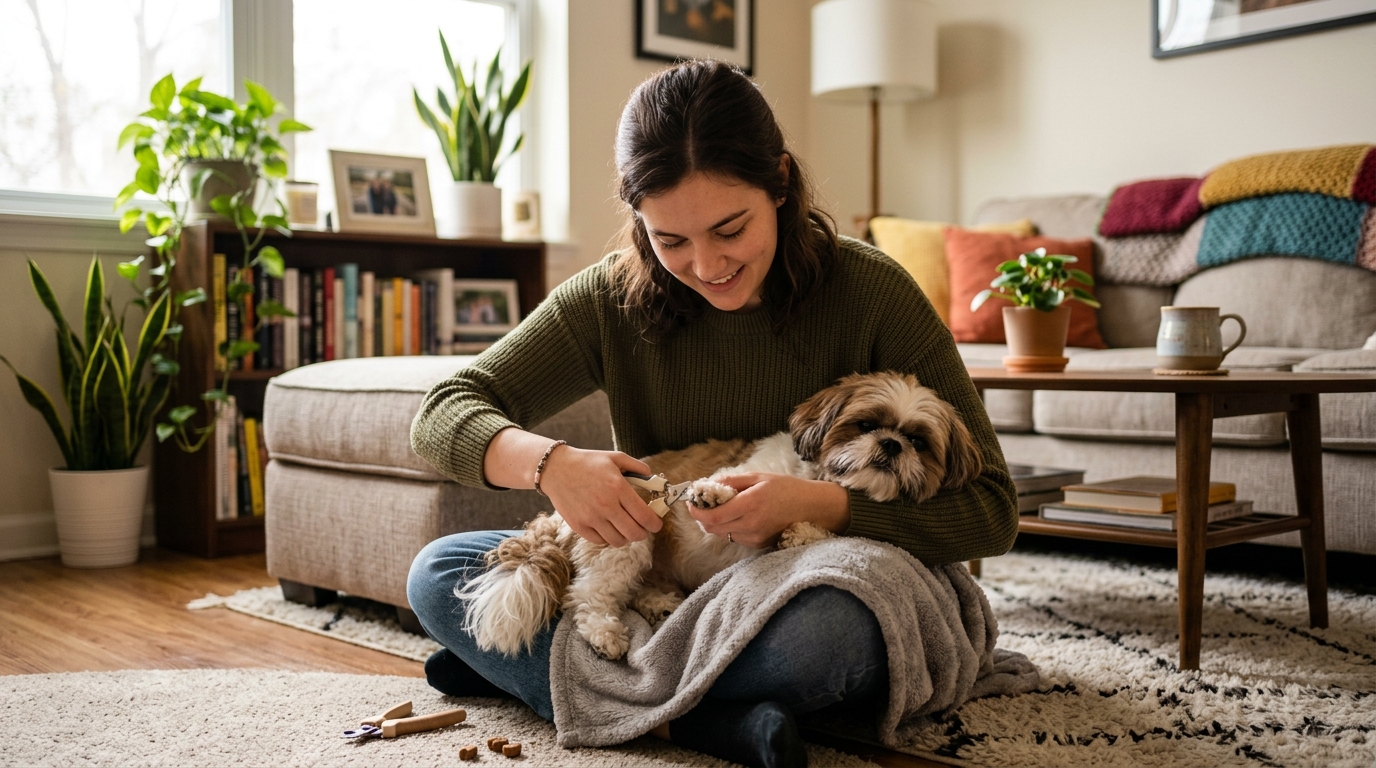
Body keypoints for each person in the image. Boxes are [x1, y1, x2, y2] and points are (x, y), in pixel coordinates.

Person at [407, 60, 1018, 768]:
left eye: (731, 228)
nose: (706, 265)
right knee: (438, 574)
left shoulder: (873, 290)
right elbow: (443, 412)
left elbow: (993, 510)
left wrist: (818, 501)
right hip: (672, 585)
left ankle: (559, 680)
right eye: (670, 240)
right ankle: (704, 723)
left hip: (820, 580)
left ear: (780, 183)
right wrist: (553, 465)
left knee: (830, 637)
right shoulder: (609, 301)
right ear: (638, 220)